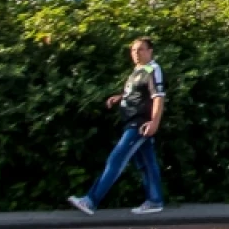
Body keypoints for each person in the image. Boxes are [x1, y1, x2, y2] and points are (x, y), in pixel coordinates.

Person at [67, 37, 167, 216]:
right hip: (132, 122)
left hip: (140, 124)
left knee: (116, 160)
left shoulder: (153, 69)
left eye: (141, 50)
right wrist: (121, 97)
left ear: (150, 51)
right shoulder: (138, 70)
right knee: (147, 163)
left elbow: (158, 97)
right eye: (134, 50)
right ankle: (155, 200)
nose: (136, 53)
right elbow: (138, 93)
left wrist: (154, 122)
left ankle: (90, 201)